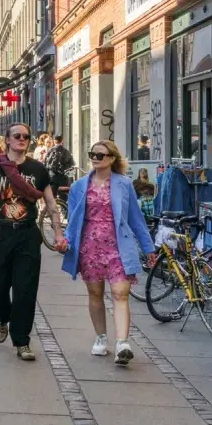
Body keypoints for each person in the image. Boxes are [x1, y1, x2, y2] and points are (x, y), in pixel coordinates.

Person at [61, 140, 155, 366]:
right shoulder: (79, 186)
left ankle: (122, 342)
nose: (95, 158)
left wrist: (149, 247)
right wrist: (66, 241)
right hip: (90, 247)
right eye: (92, 153)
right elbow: (73, 221)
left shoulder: (124, 185)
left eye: (100, 155)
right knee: (95, 294)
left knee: (120, 292)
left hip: (118, 246)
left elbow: (135, 218)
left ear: (112, 159)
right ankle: (101, 338)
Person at [0, 122, 65, 362]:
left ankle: (22, 340)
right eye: (17, 136)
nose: (22, 139)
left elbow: (50, 203)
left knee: (26, 289)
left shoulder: (38, 169)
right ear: (7, 139)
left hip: (27, 235)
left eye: (26, 136)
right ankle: (0, 317)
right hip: (1, 234)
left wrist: (58, 233)